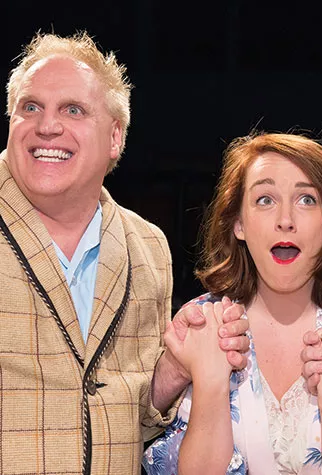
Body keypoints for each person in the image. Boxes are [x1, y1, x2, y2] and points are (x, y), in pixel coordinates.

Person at [0, 32, 248, 474]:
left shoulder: (148, 246)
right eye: (30, 107)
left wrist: (175, 366)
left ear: (115, 137)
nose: (47, 126)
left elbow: (134, 414)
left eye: (72, 110)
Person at [142, 132, 322, 475]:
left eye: (307, 200)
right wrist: (209, 381)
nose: (285, 219)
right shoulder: (202, 325)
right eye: (265, 200)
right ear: (238, 223)